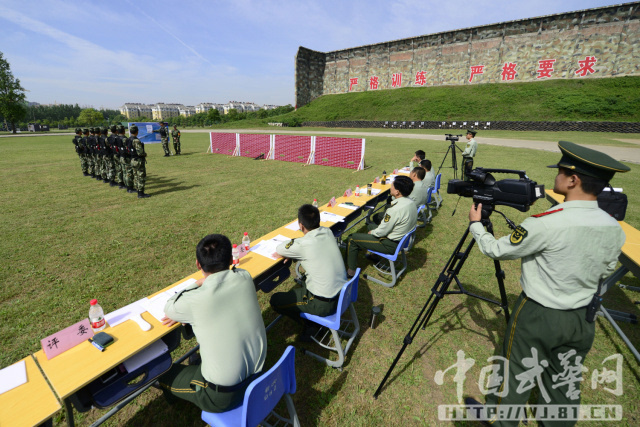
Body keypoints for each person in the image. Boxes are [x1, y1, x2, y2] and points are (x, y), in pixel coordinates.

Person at [465, 141, 630, 426]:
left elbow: (496, 250)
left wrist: (476, 225)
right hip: (583, 317)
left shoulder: (546, 222)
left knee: (515, 372)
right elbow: (603, 270)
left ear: (573, 180)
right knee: (565, 379)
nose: (556, 176)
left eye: (561, 171)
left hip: (539, 314)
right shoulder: (613, 227)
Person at [159, 234, 267, 413]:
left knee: (166, 373)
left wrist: (197, 284)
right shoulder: (245, 277)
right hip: (259, 378)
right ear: (232, 258)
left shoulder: (197, 300)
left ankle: (175, 404)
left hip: (222, 396)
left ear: (198, 265)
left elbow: (169, 308)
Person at [270, 204, 347, 339]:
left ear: (301, 226)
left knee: (276, 300)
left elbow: (280, 248)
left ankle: (312, 326)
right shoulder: (328, 232)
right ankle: (312, 322)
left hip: (324, 303)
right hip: (342, 295)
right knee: (305, 278)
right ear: (318, 220)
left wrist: (292, 249)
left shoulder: (303, 245)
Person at [345, 175, 417, 277]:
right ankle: (374, 255)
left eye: (392, 186)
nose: (390, 187)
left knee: (352, 238)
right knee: (370, 226)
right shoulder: (411, 202)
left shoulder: (394, 210)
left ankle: (351, 271)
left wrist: (373, 233)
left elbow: (382, 231)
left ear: (397, 192)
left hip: (390, 243)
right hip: (400, 240)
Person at [128, 124, 151, 198]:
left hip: (132, 159)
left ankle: (138, 190)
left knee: (135, 176)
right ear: (137, 131)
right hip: (138, 160)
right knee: (141, 176)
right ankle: (140, 193)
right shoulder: (136, 141)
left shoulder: (129, 139)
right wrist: (145, 154)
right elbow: (140, 152)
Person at [118, 125, 136, 193]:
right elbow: (128, 148)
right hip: (126, 157)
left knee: (124, 172)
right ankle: (130, 188)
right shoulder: (125, 139)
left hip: (121, 156)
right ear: (123, 131)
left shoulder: (117, 138)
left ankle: (125, 184)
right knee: (128, 173)